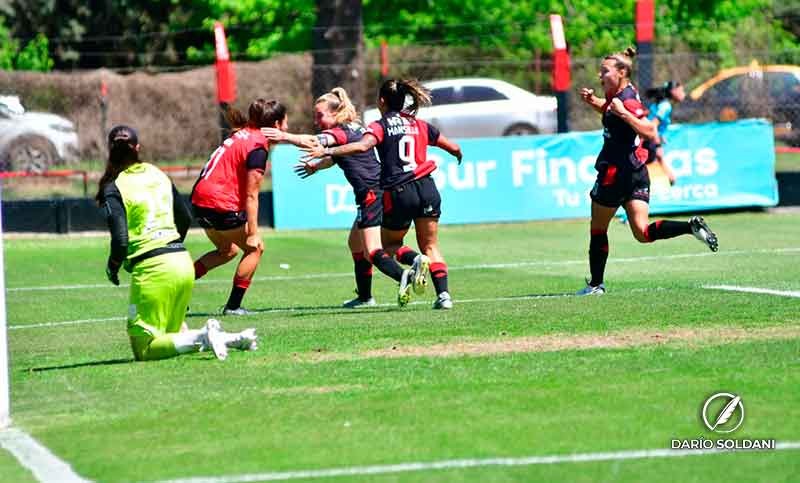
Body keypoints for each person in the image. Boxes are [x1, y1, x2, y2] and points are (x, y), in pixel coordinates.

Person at [97, 125, 257, 361]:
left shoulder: (114, 186)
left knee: (144, 349)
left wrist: (113, 266)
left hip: (154, 268)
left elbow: (120, 239)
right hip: (181, 261)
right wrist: (171, 248)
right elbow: (183, 217)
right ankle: (231, 339)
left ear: (109, 150)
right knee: (174, 334)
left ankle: (204, 335)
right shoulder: (157, 173)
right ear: (137, 148)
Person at [303, 79, 463, 309]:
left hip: (399, 191)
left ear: (381, 101)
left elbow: (362, 146)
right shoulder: (419, 124)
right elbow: (450, 146)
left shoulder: (380, 126)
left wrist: (327, 150)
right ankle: (444, 296)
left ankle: (411, 265)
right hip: (428, 188)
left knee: (388, 245)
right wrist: (457, 153)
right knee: (430, 245)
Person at [264, 87, 428, 308]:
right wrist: (317, 168)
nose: (316, 119)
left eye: (320, 114)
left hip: (370, 193)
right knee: (356, 244)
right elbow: (338, 157)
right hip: (380, 189)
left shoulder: (340, 132)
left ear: (335, 113)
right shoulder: (355, 128)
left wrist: (284, 136)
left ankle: (404, 274)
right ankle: (368, 294)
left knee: (372, 250)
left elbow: (315, 143)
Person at [577, 48, 719, 295]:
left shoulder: (627, 100)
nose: (599, 76)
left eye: (604, 71)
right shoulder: (620, 94)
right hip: (636, 173)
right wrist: (595, 103)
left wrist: (622, 112)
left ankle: (595, 285)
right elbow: (613, 112)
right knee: (642, 232)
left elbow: (649, 130)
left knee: (598, 229)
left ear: (622, 73)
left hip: (615, 173)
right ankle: (690, 227)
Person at [191, 99, 287, 315]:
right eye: (285, 122)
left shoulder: (242, 133)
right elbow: (251, 195)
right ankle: (233, 307)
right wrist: (253, 232)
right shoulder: (257, 147)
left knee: (227, 251)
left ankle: (175, 287)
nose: (287, 128)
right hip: (220, 204)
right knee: (255, 248)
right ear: (277, 124)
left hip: (199, 202)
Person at [644, 80, 685, 185]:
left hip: (648, 138)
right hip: (648, 139)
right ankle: (671, 179)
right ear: (673, 91)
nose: (683, 93)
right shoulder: (666, 106)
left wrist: (660, 137)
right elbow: (653, 125)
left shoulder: (662, 104)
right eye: (681, 91)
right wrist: (657, 145)